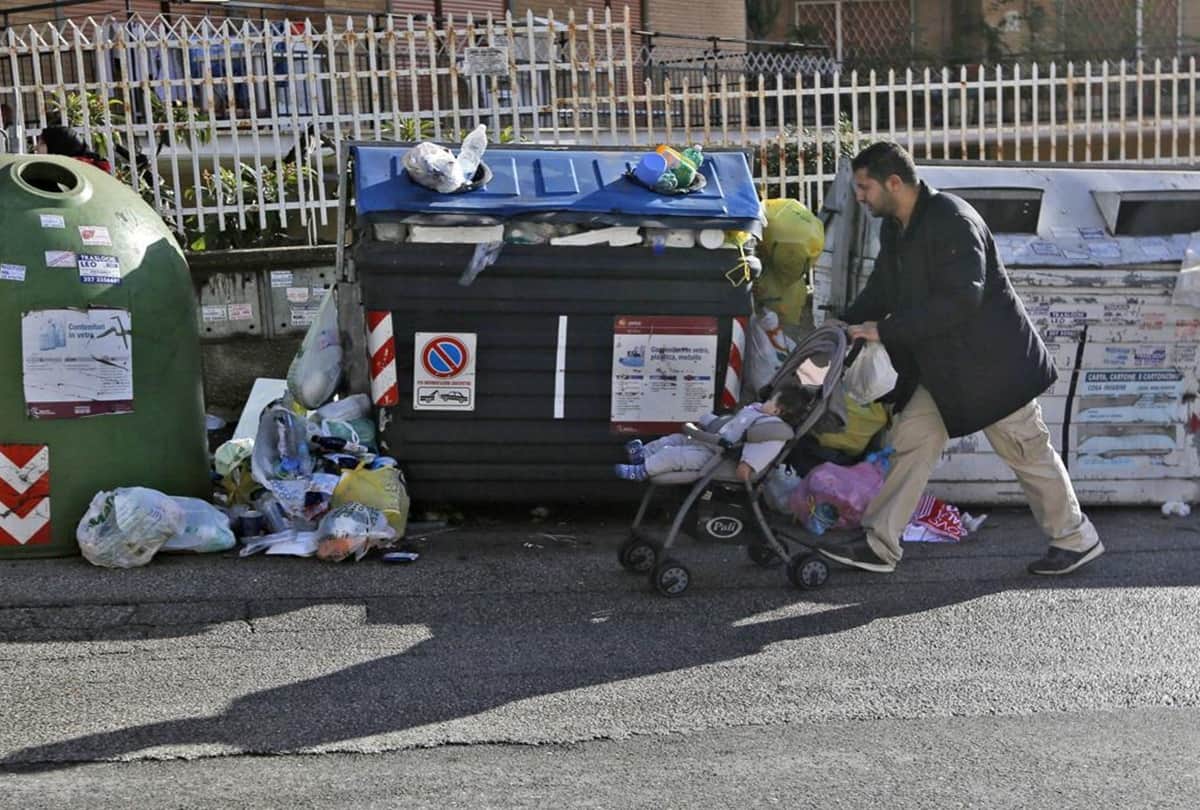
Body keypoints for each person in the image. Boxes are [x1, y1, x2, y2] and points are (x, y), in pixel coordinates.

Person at [818, 141, 1103, 577]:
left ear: (894, 182)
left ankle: (1075, 539)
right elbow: (883, 290)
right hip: (946, 369)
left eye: (864, 187)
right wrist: (844, 324)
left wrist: (885, 330)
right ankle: (879, 543)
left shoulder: (953, 221)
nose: (859, 197)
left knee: (1028, 453)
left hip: (994, 368)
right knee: (912, 440)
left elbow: (961, 300)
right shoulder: (897, 227)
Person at [615, 382, 815, 484]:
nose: (766, 402)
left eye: (771, 400)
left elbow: (760, 451)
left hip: (718, 457)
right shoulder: (756, 412)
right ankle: (644, 455)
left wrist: (747, 464)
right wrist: (707, 420)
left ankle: (642, 471)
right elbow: (732, 425)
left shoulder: (772, 430)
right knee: (676, 439)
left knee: (673, 455)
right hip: (710, 442)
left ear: (777, 410)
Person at [35, 125, 112, 173]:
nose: (36, 148)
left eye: (42, 143)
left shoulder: (70, 173)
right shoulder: (92, 166)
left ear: (58, 147)